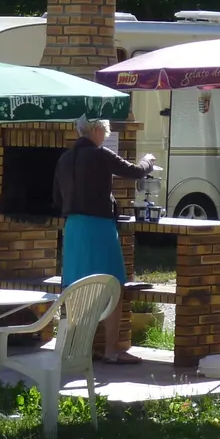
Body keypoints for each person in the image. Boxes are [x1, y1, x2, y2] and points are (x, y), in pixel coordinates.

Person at [52, 115, 157, 364]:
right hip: (99, 227)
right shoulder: (99, 154)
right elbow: (134, 172)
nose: (106, 137)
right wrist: (148, 160)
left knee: (75, 289)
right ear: (97, 130)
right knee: (113, 287)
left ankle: (74, 348)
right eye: (105, 132)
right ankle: (111, 350)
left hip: (74, 228)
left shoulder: (64, 159)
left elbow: (57, 198)